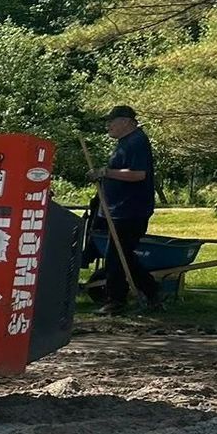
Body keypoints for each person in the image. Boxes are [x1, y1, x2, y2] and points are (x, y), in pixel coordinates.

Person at [95, 105, 160, 313]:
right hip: (120, 208)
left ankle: (116, 300)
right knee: (123, 255)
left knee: (116, 255)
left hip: (131, 209)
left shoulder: (136, 142)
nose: (109, 125)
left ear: (126, 122)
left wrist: (106, 172)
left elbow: (138, 174)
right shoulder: (125, 143)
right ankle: (151, 292)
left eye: (112, 121)